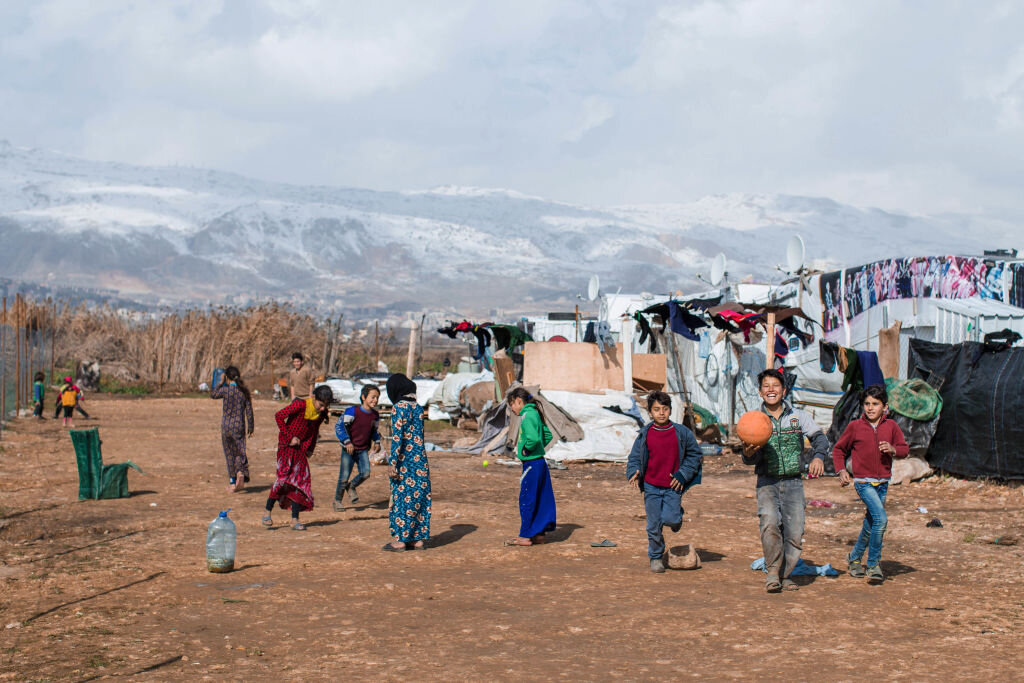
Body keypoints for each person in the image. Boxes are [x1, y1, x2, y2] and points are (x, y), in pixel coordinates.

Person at [741, 369, 829, 592]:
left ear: (784, 390)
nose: (771, 390)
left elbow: (820, 439)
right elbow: (748, 458)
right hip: (767, 482)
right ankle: (772, 572)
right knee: (769, 523)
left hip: (793, 483)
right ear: (760, 392)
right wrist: (749, 454)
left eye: (775, 385)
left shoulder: (798, 417)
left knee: (795, 531)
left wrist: (818, 456)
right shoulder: (754, 421)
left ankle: (785, 574)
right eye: (766, 386)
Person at [831, 384, 909, 583]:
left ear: (885, 407)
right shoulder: (855, 427)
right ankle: (873, 564)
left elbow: (904, 449)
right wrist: (841, 470)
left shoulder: (891, 427)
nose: (870, 408)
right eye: (867, 404)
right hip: (863, 482)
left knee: (871, 523)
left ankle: (854, 558)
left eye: (875, 404)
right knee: (881, 520)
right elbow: (839, 450)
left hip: (883, 482)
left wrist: (893, 449)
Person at [626, 391, 703, 573]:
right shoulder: (645, 434)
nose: (661, 413)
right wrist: (634, 471)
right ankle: (655, 556)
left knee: (670, 519)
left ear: (670, 410)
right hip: (651, 486)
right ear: (650, 413)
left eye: (665, 409)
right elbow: (634, 457)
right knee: (653, 525)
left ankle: (676, 517)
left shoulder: (681, 433)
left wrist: (682, 474)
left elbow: (695, 455)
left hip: (673, 486)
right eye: (656, 409)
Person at [263, 385, 332, 530]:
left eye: (325, 406)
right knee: (282, 479)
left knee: (299, 482)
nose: (322, 408)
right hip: (286, 447)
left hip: (301, 450)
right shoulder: (300, 405)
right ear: (314, 398)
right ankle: (267, 511)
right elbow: (279, 416)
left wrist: (311, 448)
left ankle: (294, 519)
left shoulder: (321, 414)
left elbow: (315, 431)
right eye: (321, 405)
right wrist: (290, 437)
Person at [382, 373, 431, 551]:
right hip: (420, 461)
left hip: (404, 462)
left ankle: (401, 540)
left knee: (402, 499)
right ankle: (416, 539)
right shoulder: (418, 408)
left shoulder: (398, 408)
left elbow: (398, 438)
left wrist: (392, 463)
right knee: (418, 498)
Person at [504, 387, 558, 547]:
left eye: (512, 405)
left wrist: (527, 449)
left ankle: (525, 536)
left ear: (519, 401)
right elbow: (547, 435)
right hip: (541, 463)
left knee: (527, 499)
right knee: (541, 499)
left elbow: (533, 439)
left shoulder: (527, 416)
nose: (512, 409)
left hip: (531, 465)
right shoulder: (535, 413)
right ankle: (539, 535)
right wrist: (538, 449)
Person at [333, 384, 382, 511]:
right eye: (372, 397)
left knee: (365, 473)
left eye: (377, 397)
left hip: (363, 449)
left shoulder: (375, 415)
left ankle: (352, 486)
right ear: (363, 397)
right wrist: (347, 442)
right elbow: (339, 427)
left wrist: (377, 441)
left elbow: (374, 430)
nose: (375, 400)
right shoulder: (352, 411)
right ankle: (337, 501)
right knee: (344, 477)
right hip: (348, 450)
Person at [211, 366, 255, 493]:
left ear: (227, 377)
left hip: (226, 426)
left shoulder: (226, 390)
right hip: (239, 426)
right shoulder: (244, 391)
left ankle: (232, 482)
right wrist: (251, 427)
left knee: (229, 453)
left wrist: (220, 382)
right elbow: (249, 411)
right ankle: (240, 472)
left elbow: (213, 394)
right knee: (240, 451)